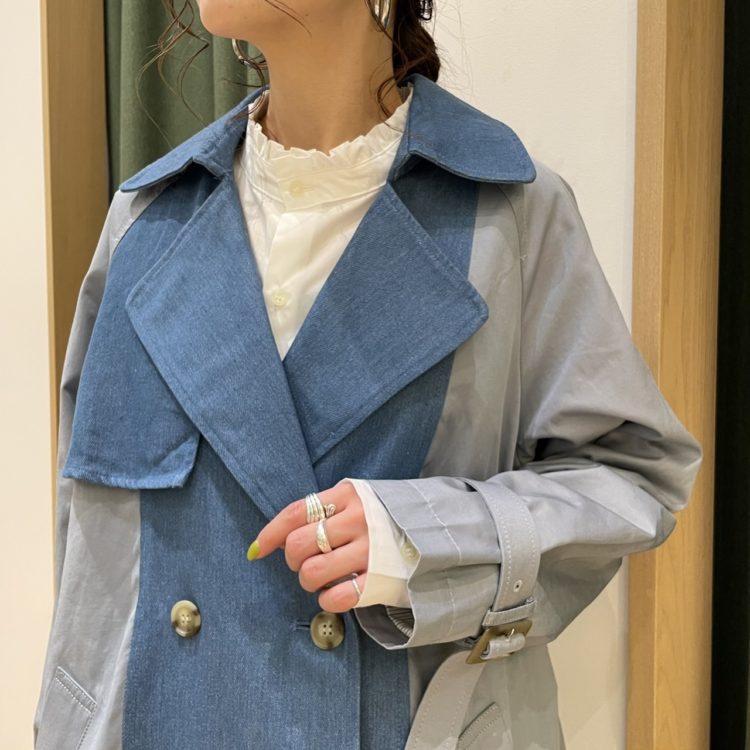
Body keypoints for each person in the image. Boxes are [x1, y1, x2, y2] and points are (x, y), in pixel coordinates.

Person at [33, 1, 702, 748]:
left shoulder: (507, 213)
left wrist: (424, 537)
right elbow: (88, 564)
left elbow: (631, 476)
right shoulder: (146, 218)